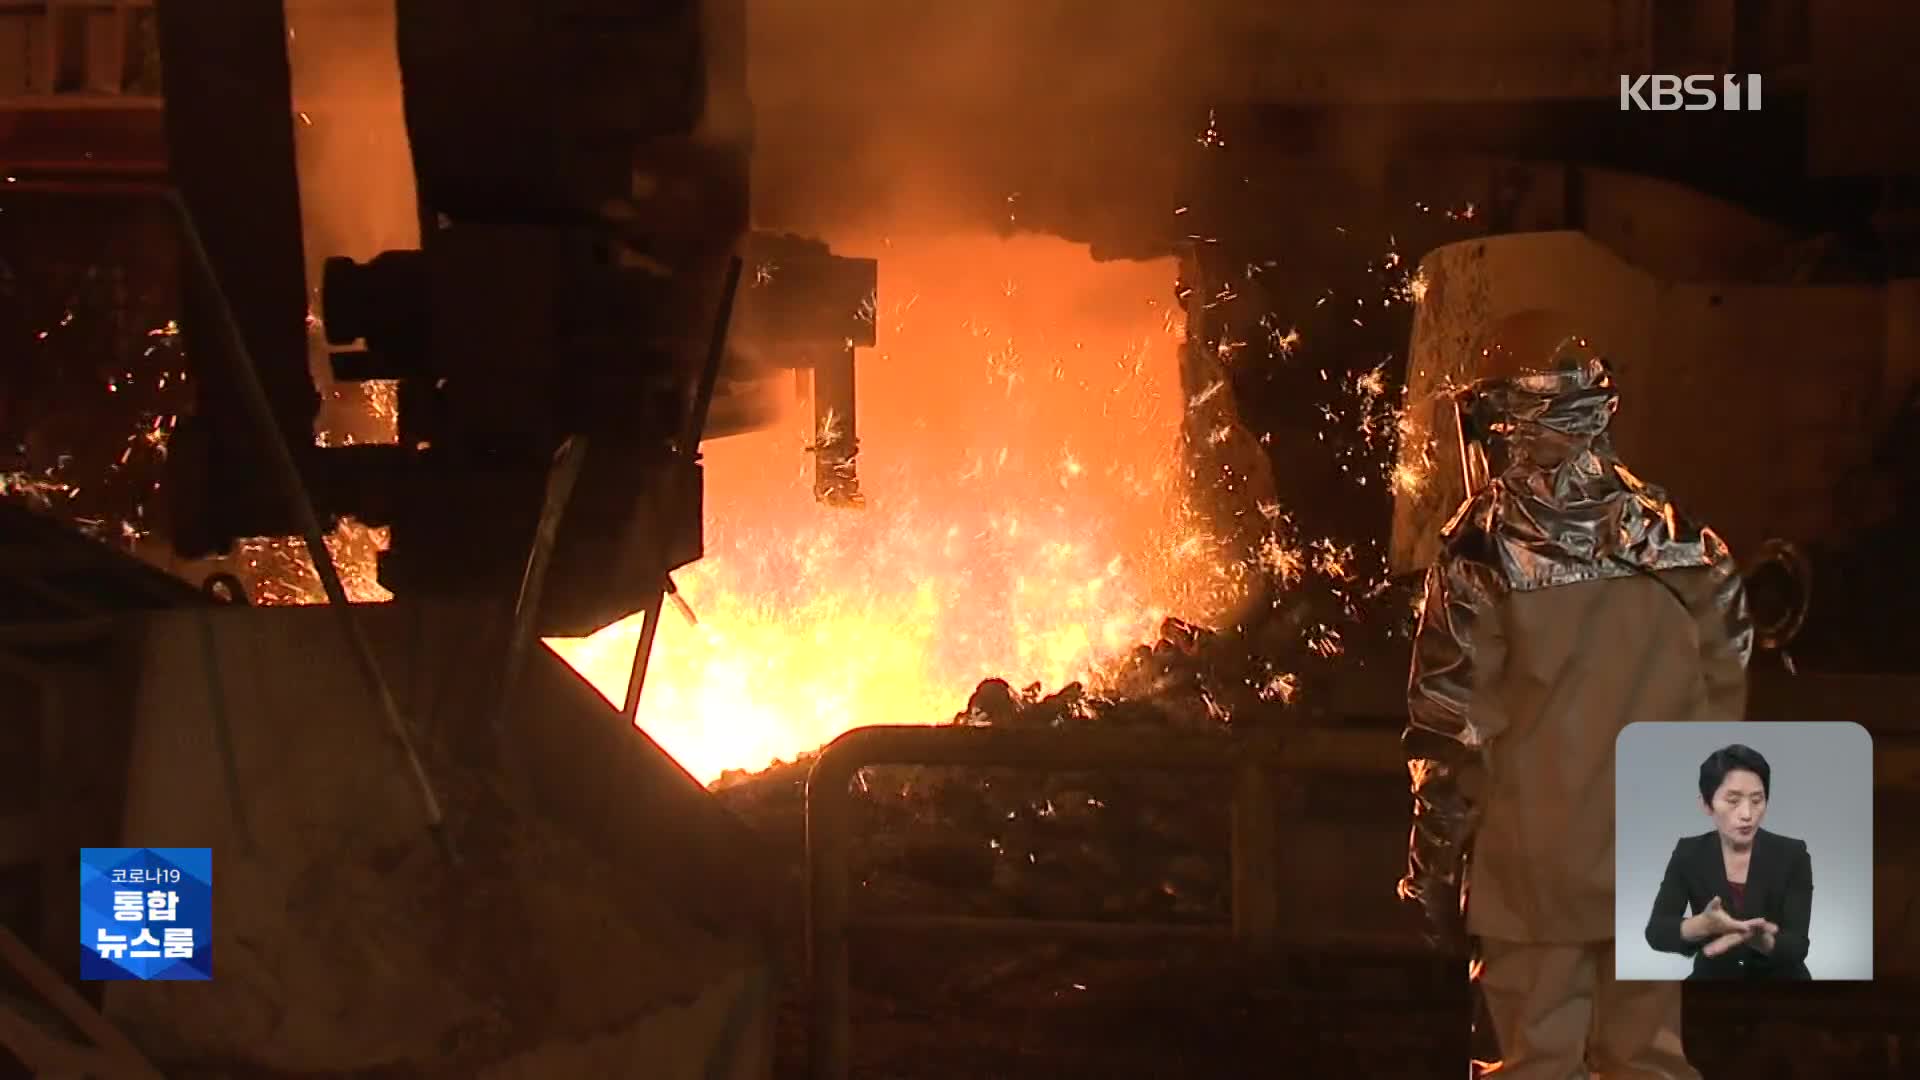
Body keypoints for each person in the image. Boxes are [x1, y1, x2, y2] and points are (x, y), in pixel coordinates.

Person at [1397, 327, 1752, 1079]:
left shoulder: (1481, 550)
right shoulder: (1677, 536)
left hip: (1535, 868)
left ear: (1509, 423)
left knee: (1535, 1064)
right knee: (1649, 1060)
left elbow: (1451, 726)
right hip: (1655, 855)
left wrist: (1432, 862)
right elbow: (1726, 689)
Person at [1643, 744, 1814, 980]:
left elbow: (1798, 946)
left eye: (1757, 800)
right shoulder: (1688, 853)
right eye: (1733, 800)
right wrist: (1701, 926)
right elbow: (1657, 932)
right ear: (1706, 803)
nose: (1747, 814)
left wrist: (1765, 942)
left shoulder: (1793, 854)